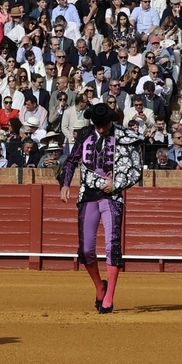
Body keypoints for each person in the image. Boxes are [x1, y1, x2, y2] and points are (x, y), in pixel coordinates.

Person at [57, 103, 144, 313]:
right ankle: (99, 287)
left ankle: (109, 298)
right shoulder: (85, 134)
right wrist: (65, 184)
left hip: (111, 195)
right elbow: (71, 161)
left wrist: (117, 183)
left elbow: (135, 169)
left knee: (112, 245)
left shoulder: (124, 136)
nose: (102, 129)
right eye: (98, 125)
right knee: (86, 249)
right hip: (88, 194)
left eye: (104, 125)